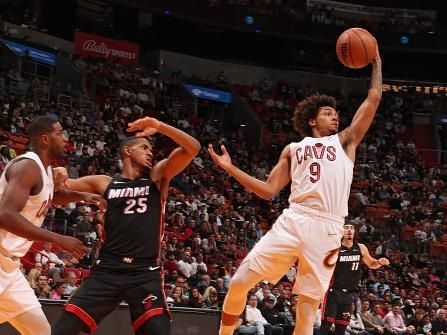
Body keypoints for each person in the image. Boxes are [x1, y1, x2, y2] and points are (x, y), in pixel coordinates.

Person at [208, 46, 382, 335]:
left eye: (337, 113)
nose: (335, 117)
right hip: (294, 219)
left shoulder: (346, 141)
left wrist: (376, 62)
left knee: (306, 312)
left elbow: (373, 97)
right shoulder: (293, 148)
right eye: (328, 113)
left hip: (328, 227)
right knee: (239, 282)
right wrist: (230, 168)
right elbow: (267, 190)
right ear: (312, 121)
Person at [52, 116, 201, 335]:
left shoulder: (157, 176)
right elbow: (56, 195)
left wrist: (160, 126)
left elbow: (192, 148)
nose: (150, 152)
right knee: (63, 330)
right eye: (144, 147)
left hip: (145, 271)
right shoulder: (104, 182)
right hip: (107, 269)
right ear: (128, 152)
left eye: (151, 149)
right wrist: (56, 175)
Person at [0, 115, 104, 335]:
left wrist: (85, 195)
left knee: (41, 332)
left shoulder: (44, 170)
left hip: (9, 268)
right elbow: (5, 215)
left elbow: (48, 196)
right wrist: (58, 238)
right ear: (45, 139)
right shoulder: (28, 166)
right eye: (60, 133)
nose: (65, 138)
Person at [319, 224, 389, 335]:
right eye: (346, 228)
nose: (349, 230)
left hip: (349, 295)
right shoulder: (335, 247)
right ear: (341, 231)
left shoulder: (361, 248)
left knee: (341, 329)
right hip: (333, 292)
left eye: (351, 228)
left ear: (355, 232)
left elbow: (371, 263)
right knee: (325, 326)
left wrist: (380, 262)